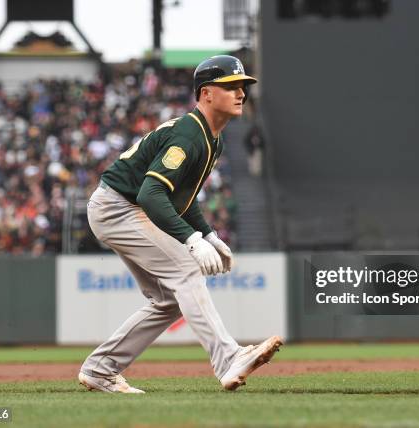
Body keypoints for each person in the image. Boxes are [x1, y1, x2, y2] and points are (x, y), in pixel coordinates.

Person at [78, 55, 283, 393]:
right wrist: (191, 241)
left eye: (243, 86)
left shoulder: (209, 138)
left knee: (168, 300)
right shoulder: (191, 135)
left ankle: (101, 369)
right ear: (206, 94)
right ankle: (228, 358)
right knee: (187, 271)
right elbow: (151, 193)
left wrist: (208, 235)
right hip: (119, 207)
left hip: (120, 206)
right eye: (231, 86)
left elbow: (179, 200)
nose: (241, 93)